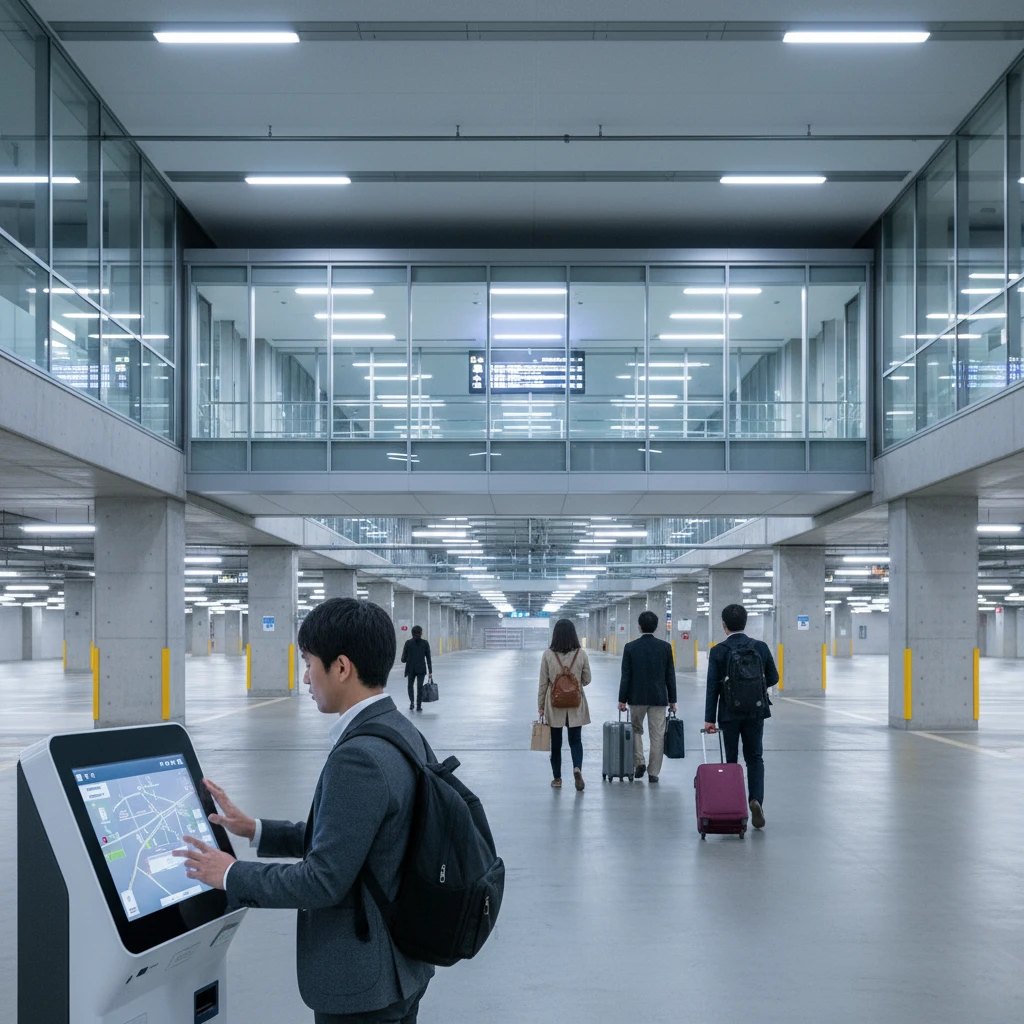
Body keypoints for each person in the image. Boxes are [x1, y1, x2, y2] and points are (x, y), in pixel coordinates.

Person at [175, 598, 434, 1023]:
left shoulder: (360, 757)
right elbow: (354, 839)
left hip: (363, 983)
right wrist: (255, 829)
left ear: (342, 667)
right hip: (400, 965)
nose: (305, 676)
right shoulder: (400, 731)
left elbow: (322, 882)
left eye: (310, 662)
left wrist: (228, 874)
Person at [703, 602, 779, 830]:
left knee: (731, 760)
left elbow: (712, 688)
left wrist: (709, 719)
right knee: (755, 757)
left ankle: (734, 807)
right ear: (745, 622)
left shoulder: (718, 651)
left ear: (724, 625)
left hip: (728, 713)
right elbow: (773, 678)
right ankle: (756, 800)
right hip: (755, 711)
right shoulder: (761, 647)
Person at [617, 610, 677, 783]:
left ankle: (639, 762)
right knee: (657, 735)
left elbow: (626, 676)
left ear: (639, 626)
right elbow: (670, 676)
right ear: (656, 627)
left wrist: (622, 699)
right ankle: (653, 773)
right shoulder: (665, 647)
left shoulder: (630, 647)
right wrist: (673, 700)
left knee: (636, 730)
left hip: (636, 698)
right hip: (659, 698)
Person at [538, 618, 592, 791]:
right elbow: (587, 679)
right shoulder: (581, 654)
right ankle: (577, 768)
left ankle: (557, 779)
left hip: (554, 704)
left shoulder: (548, 654)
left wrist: (540, 705)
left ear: (555, 634)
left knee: (556, 743)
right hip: (576, 704)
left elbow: (543, 683)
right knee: (575, 740)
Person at [400, 624, 432, 712]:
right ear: (421, 633)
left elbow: (403, 659)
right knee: (420, 687)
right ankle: (418, 706)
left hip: (410, 669)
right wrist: (430, 671)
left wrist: (407, 657)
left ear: (412, 633)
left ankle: (412, 703)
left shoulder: (408, 643)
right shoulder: (425, 643)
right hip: (421, 669)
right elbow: (428, 658)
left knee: (410, 686)